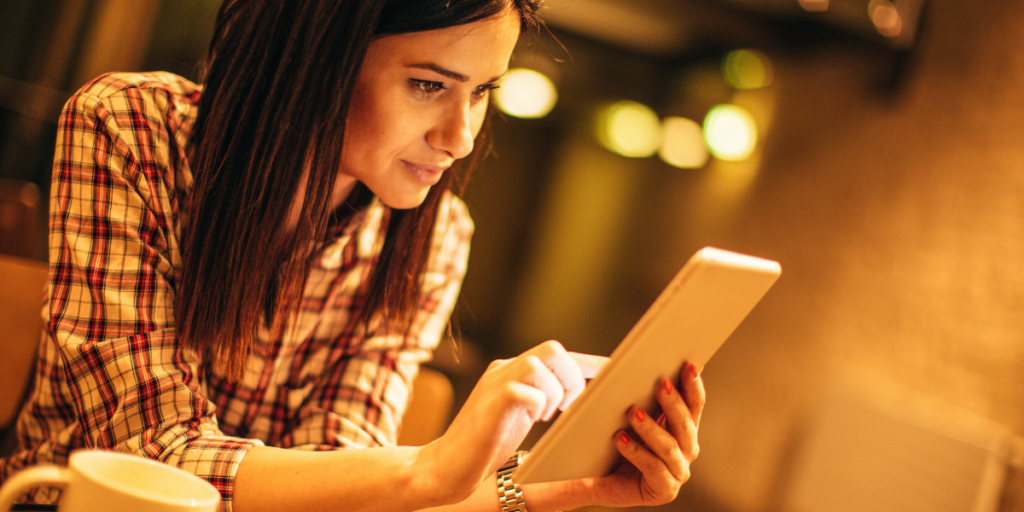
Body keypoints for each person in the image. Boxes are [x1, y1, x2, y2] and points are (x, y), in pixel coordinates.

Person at [0, 0, 705, 511]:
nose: (461, 137)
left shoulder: (434, 236)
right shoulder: (131, 130)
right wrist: (429, 470)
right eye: (429, 85)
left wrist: (560, 491)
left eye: (483, 91)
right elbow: (150, 458)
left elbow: (343, 477)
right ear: (317, 60)